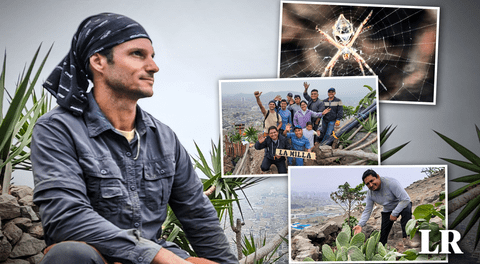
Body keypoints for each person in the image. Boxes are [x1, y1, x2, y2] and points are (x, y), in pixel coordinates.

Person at [31, 13, 237, 264]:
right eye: (137, 54)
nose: (153, 66)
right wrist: (159, 257)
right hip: (101, 258)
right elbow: (66, 219)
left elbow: (198, 214)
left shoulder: (164, 138)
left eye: (152, 56)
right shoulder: (57, 130)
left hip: (159, 257)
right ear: (98, 61)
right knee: (68, 255)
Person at [353, 169, 412, 246]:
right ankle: (382, 249)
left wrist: (394, 213)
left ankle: (407, 239)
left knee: (407, 210)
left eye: (372, 180)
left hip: (401, 205)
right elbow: (368, 210)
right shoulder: (370, 194)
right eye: (367, 184)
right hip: (388, 209)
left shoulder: (391, 183)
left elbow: (406, 199)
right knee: (383, 234)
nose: (370, 185)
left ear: (377, 176)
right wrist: (360, 224)